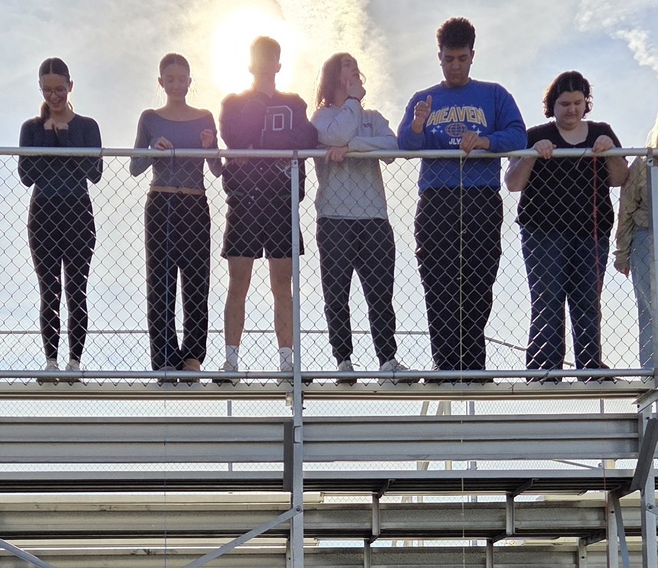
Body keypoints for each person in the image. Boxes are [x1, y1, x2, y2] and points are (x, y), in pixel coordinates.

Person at [398, 17, 526, 380]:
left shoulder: (494, 94)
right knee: (437, 281)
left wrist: (486, 141)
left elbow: (518, 135)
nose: (455, 66)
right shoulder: (423, 98)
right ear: (438, 57)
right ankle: (444, 365)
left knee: (478, 279)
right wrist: (419, 125)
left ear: (473, 56)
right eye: (448, 59)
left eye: (461, 58)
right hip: (436, 198)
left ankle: (472, 365)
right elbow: (406, 143)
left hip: (480, 198)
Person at [505, 71, 628, 378]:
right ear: (552, 105)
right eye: (564, 103)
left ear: (586, 103)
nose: (572, 109)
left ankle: (590, 366)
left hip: (591, 232)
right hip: (541, 232)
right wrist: (533, 155)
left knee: (587, 300)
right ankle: (544, 368)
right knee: (547, 298)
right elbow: (512, 182)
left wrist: (609, 151)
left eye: (577, 102)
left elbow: (620, 178)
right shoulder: (535, 135)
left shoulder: (602, 131)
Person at [219, 36, 318, 375]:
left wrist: (261, 142)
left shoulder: (294, 103)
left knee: (282, 284)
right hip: (245, 200)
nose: (264, 66)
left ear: (279, 63)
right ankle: (231, 361)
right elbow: (235, 137)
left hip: (281, 201)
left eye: (270, 60)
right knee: (238, 280)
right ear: (250, 64)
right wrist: (259, 99)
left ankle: (287, 363)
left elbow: (306, 140)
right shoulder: (233, 101)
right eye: (258, 60)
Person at [311, 53, 407, 377]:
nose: (355, 68)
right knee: (336, 293)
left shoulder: (374, 117)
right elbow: (334, 136)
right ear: (334, 74)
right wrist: (352, 103)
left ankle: (388, 361)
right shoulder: (321, 116)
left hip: (374, 218)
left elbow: (392, 149)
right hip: (334, 217)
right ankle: (344, 361)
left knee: (380, 292)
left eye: (356, 64)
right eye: (347, 64)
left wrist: (352, 147)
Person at [131, 53, 221, 376]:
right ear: (161, 82)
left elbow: (217, 168)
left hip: (195, 204)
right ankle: (165, 359)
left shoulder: (205, 117)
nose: (176, 84)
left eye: (182, 79)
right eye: (170, 79)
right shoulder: (150, 118)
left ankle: (193, 357)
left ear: (189, 81)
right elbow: (135, 167)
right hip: (161, 203)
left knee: (197, 280)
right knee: (161, 282)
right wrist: (152, 148)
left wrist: (210, 146)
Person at [19, 57, 102, 376]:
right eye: (47, 90)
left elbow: (94, 172)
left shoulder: (87, 126)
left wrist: (66, 140)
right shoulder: (31, 128)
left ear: (70, 86)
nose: (54, 96)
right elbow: (27, 175)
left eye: (60, 89)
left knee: (76, 288)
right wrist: (50, 140)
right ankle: (51, 361)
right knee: (48, 289)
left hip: (78, 212)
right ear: (40, 89)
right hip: (43, 213)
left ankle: (75, 362)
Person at [613, 107, 658, 374]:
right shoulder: (645, 162)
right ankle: (653, 373)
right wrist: (622, 253)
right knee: (650, 309)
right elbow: (627, 208)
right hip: (646, 239)